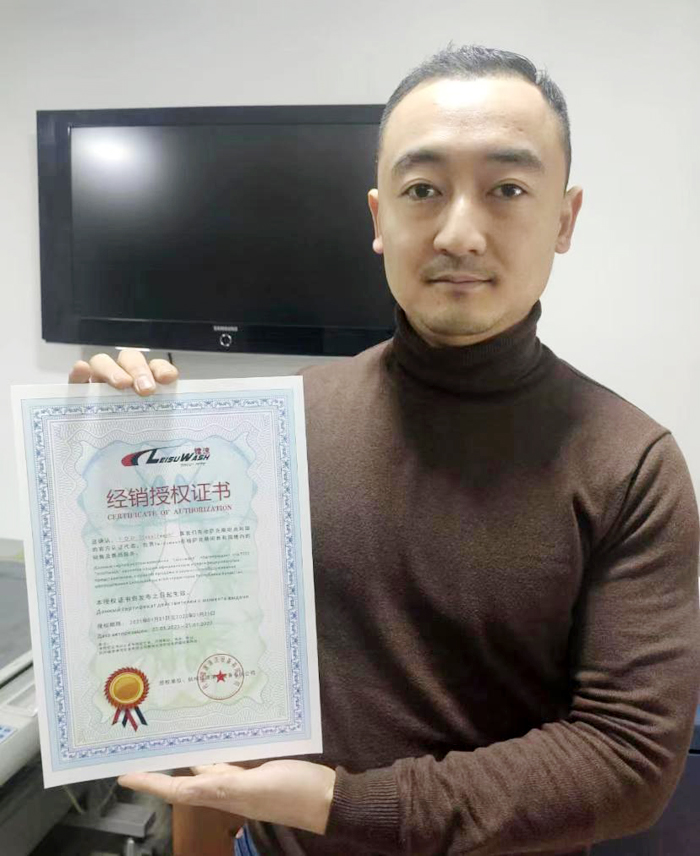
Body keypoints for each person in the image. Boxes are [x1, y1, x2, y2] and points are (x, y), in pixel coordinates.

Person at [68, 45, 700, 856]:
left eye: (507, 189)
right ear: (379, 218)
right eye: (423, 190)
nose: (459, 233)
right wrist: (109, 460)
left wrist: (346, 804)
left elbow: (627, 760)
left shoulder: (631, 466)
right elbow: (188, 639)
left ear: (565, 219)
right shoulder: (277, 424)